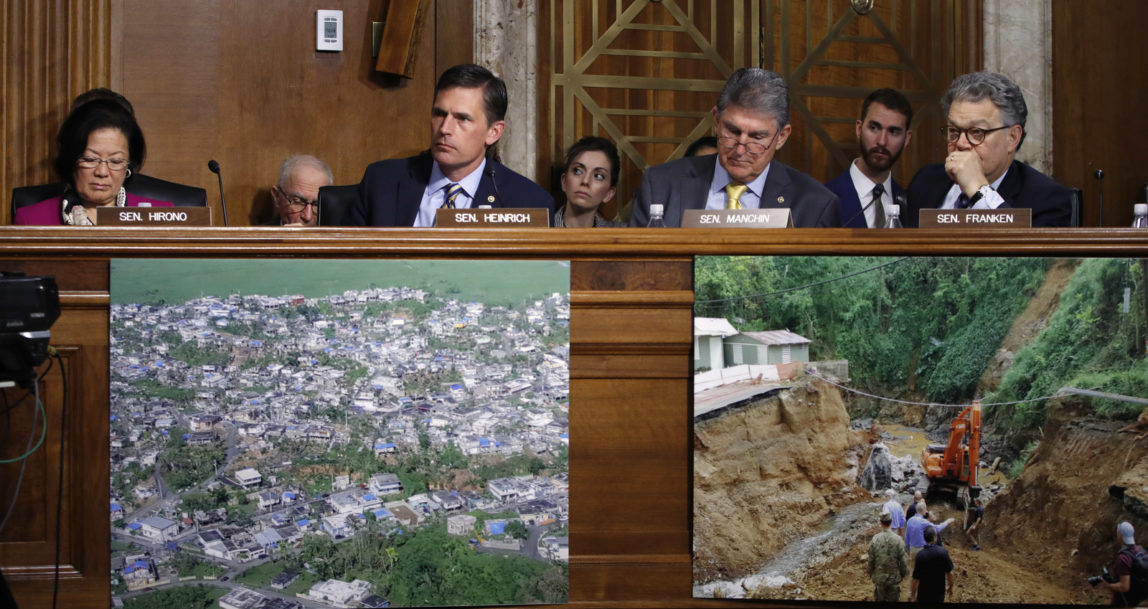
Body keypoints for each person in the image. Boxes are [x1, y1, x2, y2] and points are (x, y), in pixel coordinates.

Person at [629, 67, 841, 228]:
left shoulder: (815, 204)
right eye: (732, 132)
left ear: (781, 137)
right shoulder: (660, 185)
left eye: (757, 137)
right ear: (716, 120)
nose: (740, 149)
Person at [351, 63, 554, 227]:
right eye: (439, 114)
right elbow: (345, 267)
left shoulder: (527, 202)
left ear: (494, 132)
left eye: (462, 119)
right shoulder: (381, 181)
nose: (445, 128)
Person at [905, 71, 1073, 227]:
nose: (961, 143)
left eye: (977, 132)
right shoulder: (925, 182)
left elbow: (1019, 256)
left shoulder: (1047, 200)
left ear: (1012, 137)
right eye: (954, 131)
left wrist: (978, 190)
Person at [14, 99, 172, 225]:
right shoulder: (31, 219)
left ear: (128, 165)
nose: (102, 172)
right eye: (90, 159)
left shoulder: (162, 215)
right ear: (71, 160)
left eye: (116, 161)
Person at [825, 88, 913, 228]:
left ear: (907, 139)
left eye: (893, 132)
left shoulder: (911, 203)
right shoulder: (825, 199)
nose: (882, 141)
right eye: (874, 128)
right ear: (859, 129)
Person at [554, 137, 623, 227]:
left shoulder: (621, 237)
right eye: (578, 171)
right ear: (564, 181)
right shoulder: (539, 230)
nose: (585, 181)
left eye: (598, 176)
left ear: (609, 193)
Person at [268, 155, 333, 227]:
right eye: (298, 202)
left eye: (317, 205)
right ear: (277, 197)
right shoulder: (259, 237)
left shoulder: (340, 236)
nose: (308, 217)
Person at [1100, 521, 1148, 607]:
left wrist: (1109, 585)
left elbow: (1124, 587)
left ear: (1120, 536)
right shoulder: (1141, 550)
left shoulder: (1123, 558)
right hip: (1139, 598)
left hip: (1124, 600)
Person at [868, 511, 909, 602]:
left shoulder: (875, 539)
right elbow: (903, 561)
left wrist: (872, 575)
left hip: (879, 578)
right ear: (891, 521)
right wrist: (902, 574)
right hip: (894, 578)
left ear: (881, 523)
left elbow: (871, 560)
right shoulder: (898, 540)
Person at [911, 525, 954, 603]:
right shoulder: (943, 552)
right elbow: (949, 574)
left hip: (923, 594)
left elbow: (916, 579)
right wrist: (950, 587)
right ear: (935, 537)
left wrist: (913, 596)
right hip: (939, 594)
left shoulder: (921, 555)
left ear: (924, 538)